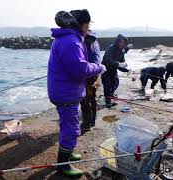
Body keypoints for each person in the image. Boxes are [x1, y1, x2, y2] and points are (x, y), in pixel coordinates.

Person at [47, 10, 106, 177]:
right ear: (82, 25)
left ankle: (68, 152)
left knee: (67, 125)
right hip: (65, 93)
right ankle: (63, 165)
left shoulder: (67, 38)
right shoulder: (71, 41)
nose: (89, 28)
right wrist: (99, 67)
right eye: (88, 25)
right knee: (71, 129)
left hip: (63, 90)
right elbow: (80, 69)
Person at [101, 34, 131, 108]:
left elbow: (121, 65)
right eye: (120, 42)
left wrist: (127, 70)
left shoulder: (122, 51)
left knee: (115, 82)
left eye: (123, 43)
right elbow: (107, 60)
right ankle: (108, 101)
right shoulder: (111, 48)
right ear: (117, 42)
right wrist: (118, 64)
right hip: (105, 69)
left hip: (113, 70)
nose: (122, 44)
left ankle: (111, 95)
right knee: (107, 85)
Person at [80, 30, 101, 131]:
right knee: (92, 97)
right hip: (96, 72)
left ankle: (86, 123)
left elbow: (81, 61)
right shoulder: (95, 41)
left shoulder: (83, 40)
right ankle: (92, 121)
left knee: (85, 99)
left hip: (87, 73)